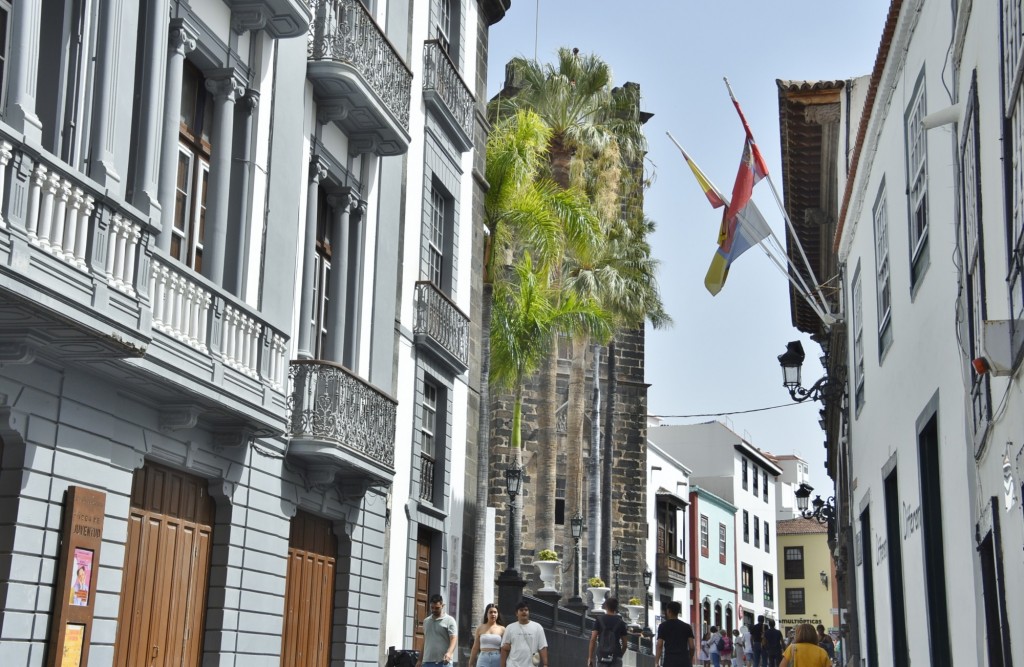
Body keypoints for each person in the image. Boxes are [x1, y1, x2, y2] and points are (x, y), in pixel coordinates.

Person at [501, 601, 549, 667]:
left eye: (526, 610)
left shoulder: (538, 627)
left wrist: (545, 664)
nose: (524, 612)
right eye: (521, 610)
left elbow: (543, 647)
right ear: (516, 613)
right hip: (513, 664)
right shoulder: (510, 628)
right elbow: (504, 649)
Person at [418, 594, 457, 667]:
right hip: (427, 662)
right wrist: (420, 660)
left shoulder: (450, 620)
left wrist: (449, 653)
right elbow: (425, 641)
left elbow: (454, 639)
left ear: (442, 605)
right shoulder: (426, 621)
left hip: (443, 662)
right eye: (432, 608)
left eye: (437, 608)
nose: (434, 610)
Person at [588, 597, 628, 667]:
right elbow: (625, 644)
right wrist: (619, 656)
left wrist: (590, 658)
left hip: (602, 657)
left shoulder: (599, 620)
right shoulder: (621, 623)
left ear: (606, 606)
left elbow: (593, 639)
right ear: (616, 608)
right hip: (616, 658)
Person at [654, 601, 695, 667]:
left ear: (669, 611)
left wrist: (656, 662)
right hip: (684, 661)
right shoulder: (687, 627)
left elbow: (659, 645)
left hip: (669, 661)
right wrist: (690, 659)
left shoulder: (663, 626)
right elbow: (692, 647)